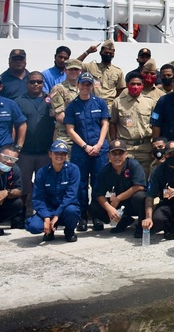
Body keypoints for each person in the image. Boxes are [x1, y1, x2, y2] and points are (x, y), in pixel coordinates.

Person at [65, 72, 110, 231]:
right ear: (78, 85)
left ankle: (97, 215)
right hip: (81, 151)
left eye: (88, 84)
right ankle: (82, 217)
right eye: (83, 84)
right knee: (81, 185)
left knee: (98, 183)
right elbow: (70, 129)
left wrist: (98, 145)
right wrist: (85, 146)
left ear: (92, 86)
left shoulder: (100, 103)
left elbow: (105, 124)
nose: (85, 87)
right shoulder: (72, 106)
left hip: (99, 150)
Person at [26, 140, 81, 242]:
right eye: (56, 153)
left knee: (72, 211)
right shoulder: (42, 173)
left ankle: (69, 231)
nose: (59, 156)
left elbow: (71, 195)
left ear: (67, 156)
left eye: (63, 153)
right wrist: (46, 217)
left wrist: (57, 214)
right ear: (50, 154)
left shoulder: (73, 170)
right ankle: (49, 231)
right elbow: (38, 198)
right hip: (48, 209)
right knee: (33, 226)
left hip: (65, 209)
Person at [17, 71, 55, 216]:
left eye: (39, 82)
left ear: (43, 83)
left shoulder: (50, 100)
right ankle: (20, 213)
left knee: (44, 185)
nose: (36, 84)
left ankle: (43, 213)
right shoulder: (19, 101)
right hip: (25, 152)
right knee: (23, 185)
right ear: (27, 83)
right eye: (32, 82)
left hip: (45, 152)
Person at [91, 140, 147, 238]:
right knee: (93, 207)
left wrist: (118, 198)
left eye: (120, 153)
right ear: (109, 155)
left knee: (140, 197)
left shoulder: (133, 165)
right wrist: (109, 209)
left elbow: (139, 186)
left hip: (131, 203)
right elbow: (99, 194)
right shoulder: (105, 171)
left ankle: (141, 226)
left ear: (126, 154)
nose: (117, 157)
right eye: (114, 154)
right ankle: (122, 221)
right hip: (117, 205)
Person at [110, 71, 156, 171]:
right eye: (132, 84)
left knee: (144, 179)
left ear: (143, 85)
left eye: (138, 84)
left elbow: (155, 124)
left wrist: (154, 144)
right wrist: (114, 141)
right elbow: (112, 123)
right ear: (127, 85)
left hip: (144, 148)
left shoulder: (150, 103)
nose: (135, 87)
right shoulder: (117, 102)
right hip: (125, 148)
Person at [49, 59, 83, 145]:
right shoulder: (58, 89)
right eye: (70, 69)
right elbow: (60, 116)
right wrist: (82, 122)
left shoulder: (86, 89)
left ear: (81, 71)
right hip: (64, 137)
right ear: (65, 70)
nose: (74, 72)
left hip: (82, 135)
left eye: (76, 69)